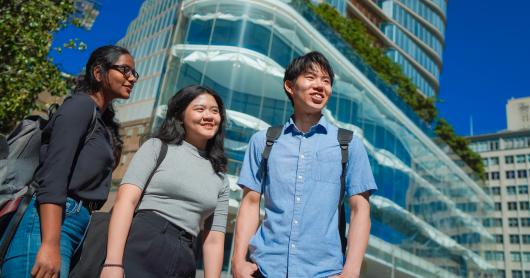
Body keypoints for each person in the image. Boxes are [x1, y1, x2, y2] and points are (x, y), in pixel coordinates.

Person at [231, 51, 377, 278]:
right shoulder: (263, 141)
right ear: (290, 86)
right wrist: (238, 261)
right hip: (265, 269)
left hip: (324, 271)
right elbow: (250, 204)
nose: (320, 86)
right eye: (311, 77)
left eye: (326, 81)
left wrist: (351, 271)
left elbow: (360, 210)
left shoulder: (348, 145)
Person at [1, 45, 137, 278]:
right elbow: (54, 175)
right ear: (98, 73)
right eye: (125, 70)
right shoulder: (80, 106)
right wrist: (50, 244)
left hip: (74, 224)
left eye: (134, 73)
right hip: (50, 224)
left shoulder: (102, 122)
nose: (132, 78)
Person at [101, 85, 229, 278]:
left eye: (215, 111)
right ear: (179, 116)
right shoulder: (156, 148)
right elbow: (126, 202)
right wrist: (112, 263)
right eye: (200, 109)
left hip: (185, 257)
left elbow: (214, 239)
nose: (209, 116)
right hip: (142, 243)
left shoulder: (221, 176)